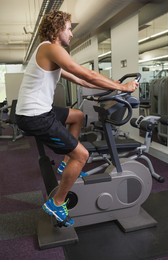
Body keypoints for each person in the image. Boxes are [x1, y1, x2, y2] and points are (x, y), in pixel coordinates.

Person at [15, 10, 139, 227]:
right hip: (35, 116)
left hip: (41, 110)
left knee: (78, 116)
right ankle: (57, 202)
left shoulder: (48, 52)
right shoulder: (51, 48)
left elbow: (84, 82)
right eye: (69, 28)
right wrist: (122, 87)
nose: (71, 33)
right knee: (81, 155)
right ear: (57, 28)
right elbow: (85, 73)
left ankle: (65, 164)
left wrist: (114, 82)